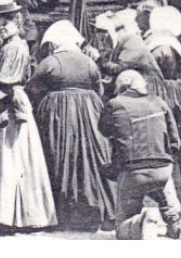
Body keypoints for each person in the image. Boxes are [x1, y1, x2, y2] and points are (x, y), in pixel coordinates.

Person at [0, 0, 56, 231]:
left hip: (7, 105)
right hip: (4, 100)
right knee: (3, 160)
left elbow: (4, 86)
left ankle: (9, 216)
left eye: (5, 23)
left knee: (8, 159)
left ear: (16, 20)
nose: (1, 28)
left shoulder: (15, 47)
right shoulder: (9, 45)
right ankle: (1, 214)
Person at [28, 19, 115, 229]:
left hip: (59, 114)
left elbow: (33, 88)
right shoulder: (88, 62)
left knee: (61, 155)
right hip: (89, 113)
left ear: (55, 43)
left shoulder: (50, 62)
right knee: (90, 156)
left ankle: (64, 211)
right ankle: (97, 208)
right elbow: (98, 90)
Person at [99, 69, 181, 240]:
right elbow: (175, 142)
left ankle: (139, 221)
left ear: (121, 86)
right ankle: (174, 224)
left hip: (133, 170)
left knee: (122, 225)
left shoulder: (115, 104)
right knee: (165, 191)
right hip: (162, 168)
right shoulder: (159, 102)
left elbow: (104, 129)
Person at [145, 5, 181, 216]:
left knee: (175, 143)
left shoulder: (159, 47)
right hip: (173, 93)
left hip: (163, 92)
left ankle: (178, 200)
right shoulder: (167, 46)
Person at [96, 9, 165, 96]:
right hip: (139, 87)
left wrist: (98, 59)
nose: (104, 36)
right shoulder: (124, 42)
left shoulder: (132, 41)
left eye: (104, 31)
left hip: (147, 90)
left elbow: (118, 69)